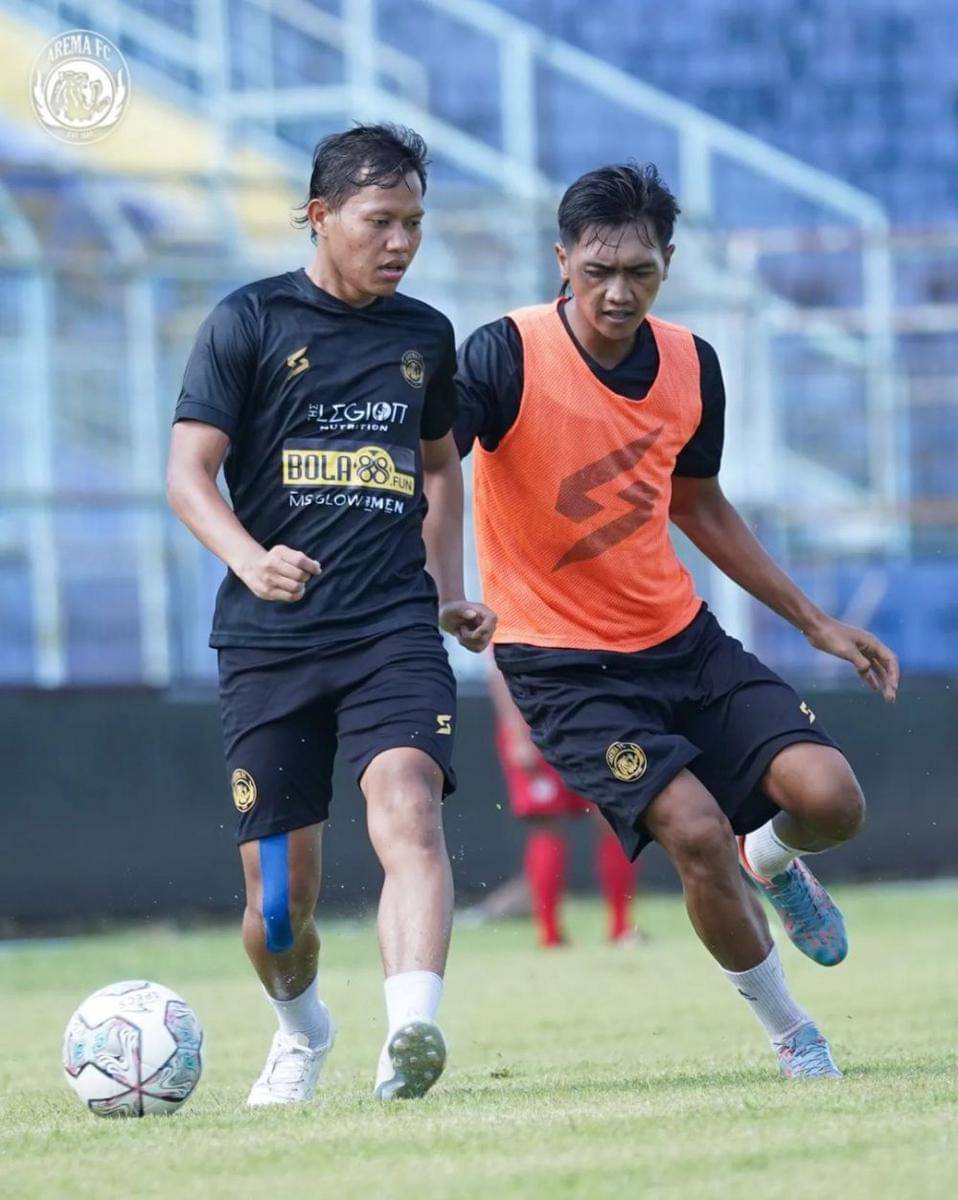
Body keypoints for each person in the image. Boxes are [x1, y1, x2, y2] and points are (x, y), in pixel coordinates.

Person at [454, 162, 899, 1079]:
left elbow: (701, 505)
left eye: (641, 272)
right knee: (694, 830)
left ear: (668, 264)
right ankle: (792, 1032)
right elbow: (431, 464)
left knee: (833, 801)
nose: (619, 292)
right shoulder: (503, 354)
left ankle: (773, 859)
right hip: (561, 664)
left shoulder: (694, 364)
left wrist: (815, 623)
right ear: (563, 259)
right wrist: (432, 586)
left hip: (681, 641)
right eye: (599, 270)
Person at [167, 124, 495, 1107]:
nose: (401, 241)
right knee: (276, 911)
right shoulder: (249, 321)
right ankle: (302, 1032)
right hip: (268, 645)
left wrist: (444, 593)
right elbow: (187, 472)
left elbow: (440, 466)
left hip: (392, 627)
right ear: (319, 216)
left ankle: (410, 1037)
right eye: (380, 221)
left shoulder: (423, 337)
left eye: (415, 224)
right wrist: (248, 557)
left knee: (405, 806)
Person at [489, 664, 642, 947]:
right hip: (537, 721)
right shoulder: (514, 619)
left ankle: (622, 928)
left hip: (593, 721)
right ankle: (549, 935)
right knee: (548, 825)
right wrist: (517, 733)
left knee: (613, 819)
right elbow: (499, 667)